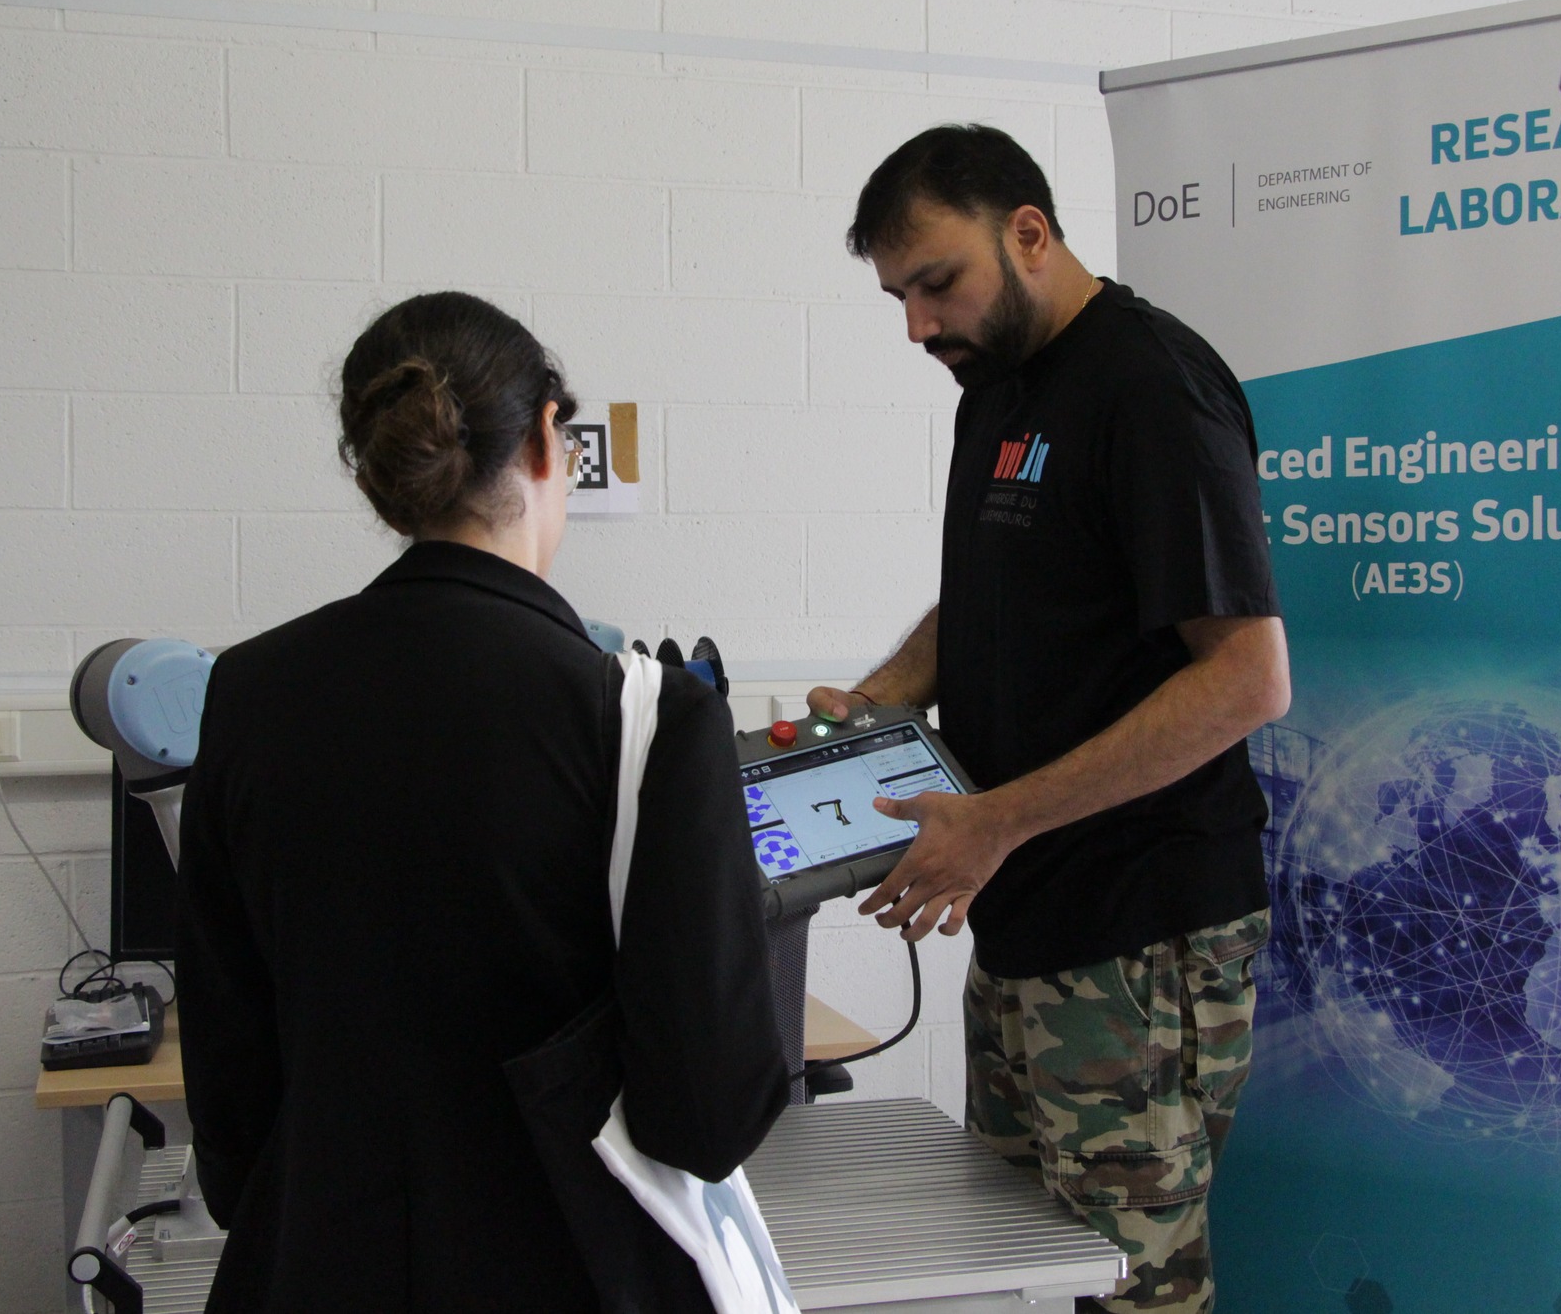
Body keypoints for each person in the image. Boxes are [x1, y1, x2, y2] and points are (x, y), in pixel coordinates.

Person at [175, 291, 788, 1312]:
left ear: (376, 472)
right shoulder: (648, 719)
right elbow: (706, 1114)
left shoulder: (246, 693)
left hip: (315, 1261)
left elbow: (230, 1086)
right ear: (549, 438)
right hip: (568, 1266)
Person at [811, 127, 1290, 1314]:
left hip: (1140, 935)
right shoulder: (999, 383)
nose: (917, 325)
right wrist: (883, 698)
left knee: (1129, 1288)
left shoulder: (1149, 388)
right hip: (1029, 913)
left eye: (936, 283)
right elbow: (1001, 586)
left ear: (1028, 232)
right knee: (1021, 1272)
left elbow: (1245, 680)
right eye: (897, 296)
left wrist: (995, 822)